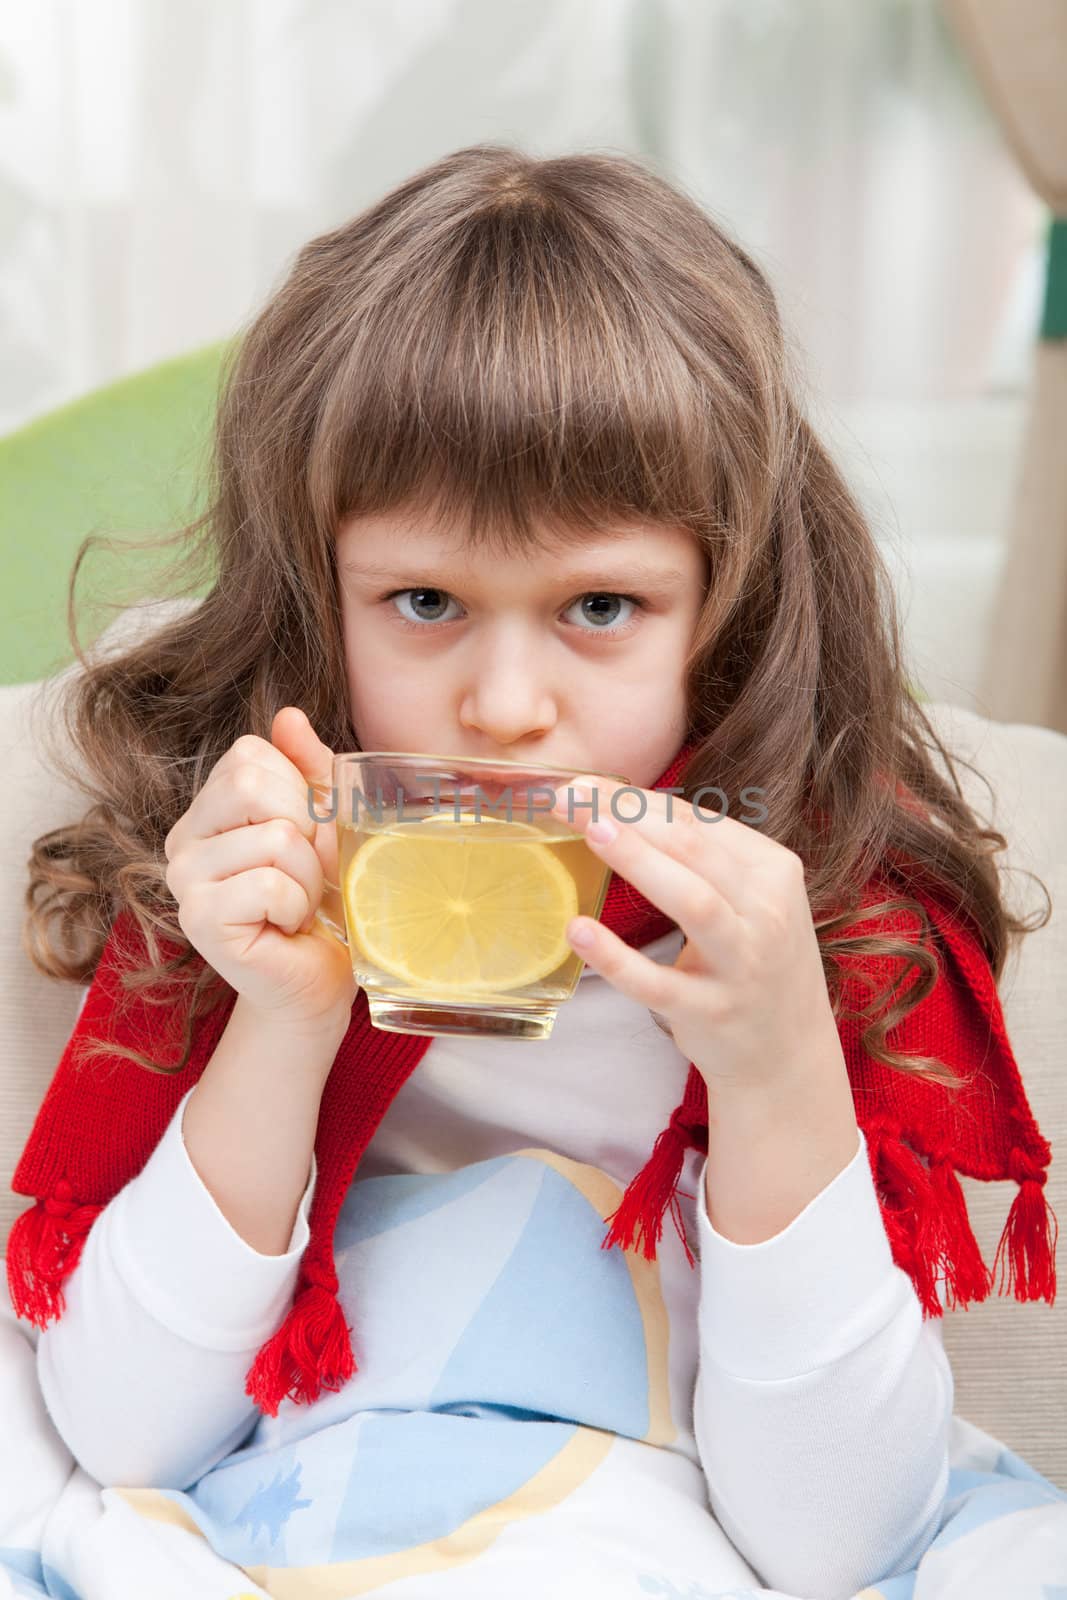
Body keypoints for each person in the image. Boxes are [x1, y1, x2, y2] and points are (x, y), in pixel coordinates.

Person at [5, 144, 1057, 1599]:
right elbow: (124, 1439)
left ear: (723, 616)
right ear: (322, 594)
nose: (506, 704)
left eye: (602, 607)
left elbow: (843, 1543)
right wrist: (284, 1019)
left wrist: (776, 1070)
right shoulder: (250, 871)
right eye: (425, 601)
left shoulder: (819, 912)